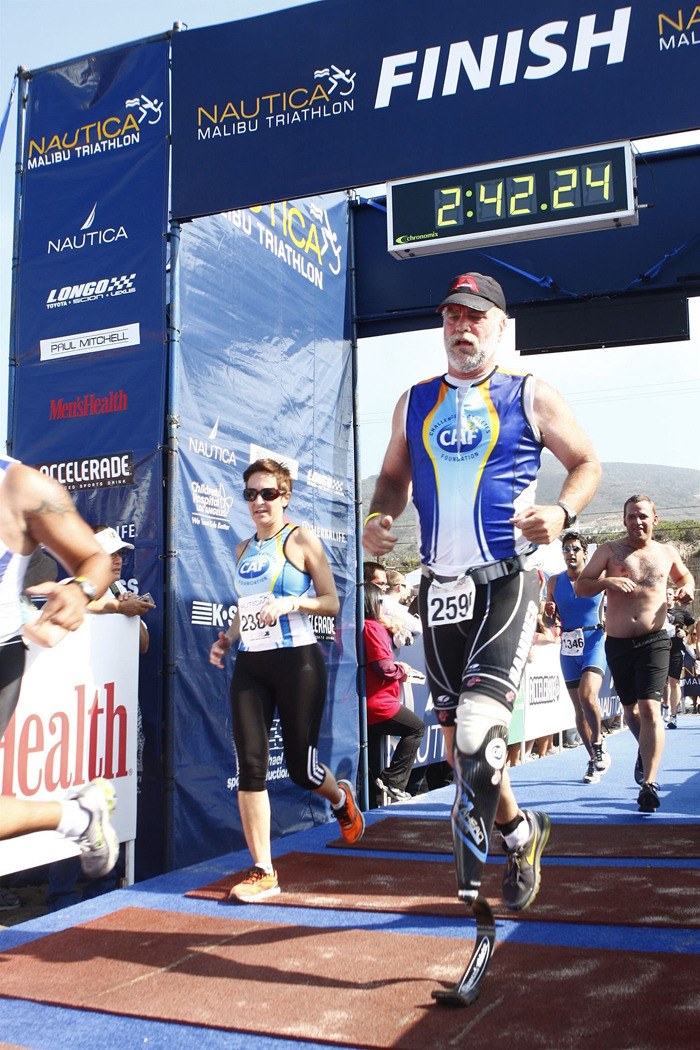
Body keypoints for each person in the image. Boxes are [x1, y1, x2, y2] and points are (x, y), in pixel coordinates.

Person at [363, 271, 601, 918]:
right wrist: (377, 519)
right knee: (460, 747)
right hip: (439, 590)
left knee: (475, 729)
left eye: (475, 317)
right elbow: (391, 479)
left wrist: (562, 513)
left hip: (507, 579)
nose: (462, 327)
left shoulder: (530, 393)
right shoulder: (414, 401)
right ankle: (522, 834)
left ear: (500, 327)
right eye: (452, 316)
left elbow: (587, 463)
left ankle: (476, 896)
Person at [210, 458, 364, 902]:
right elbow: (246, 606)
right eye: (251, 495)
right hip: (251, 664)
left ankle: (341, 801)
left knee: (301, 768)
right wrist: (228, 638)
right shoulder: (242, 549)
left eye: (268, 494)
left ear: (285, 497)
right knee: (251, 767)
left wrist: (292, 603)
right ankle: (263, 870)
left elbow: (333, 602)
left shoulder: (300, 539)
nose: (259, 502)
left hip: (298, 662)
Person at [0, 453, 117, 875]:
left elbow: (95, 560)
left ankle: (78, 817)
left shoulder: (21, 487)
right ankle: (78, 817)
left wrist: (79, 591)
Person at [45, 524, 155, 911]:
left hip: (117, 719)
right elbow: (70, 611)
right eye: (109, 553)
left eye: (120, 552)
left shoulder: (121, 592)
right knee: (74, 796)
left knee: (113, 796)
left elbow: (142, 645)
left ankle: (103, 885)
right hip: (75, 719)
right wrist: (115, 607)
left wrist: (129, 611)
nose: (118, 558)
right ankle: (61, 893)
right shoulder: (76, 590)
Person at [576, 494, 694, 812]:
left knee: (650, 708)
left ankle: (649, 784)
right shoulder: (610, 551)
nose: (637, 521)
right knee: (631, 712)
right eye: (631, 516)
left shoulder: (666, 553)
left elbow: (685, 577)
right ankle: (645, 750)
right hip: (618, 643)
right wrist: (607, 581)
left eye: (643, 515)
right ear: (624, 520)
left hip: (655, 639)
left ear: (654, 519)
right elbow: (581, 586)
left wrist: (687, 590)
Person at [545, 531, 610, 784]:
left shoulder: (598, 578)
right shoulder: (553, 582)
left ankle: (599, 743)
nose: (570, 553)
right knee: (578, 709)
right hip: (568, 645)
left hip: (594, 640)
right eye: (566, 549)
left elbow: (614, 602)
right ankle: (593, 759)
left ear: (585, 553)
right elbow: (549, 620)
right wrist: (549, 613)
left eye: (575, 549)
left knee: (587, 696)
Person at [363, 581, 425, 802]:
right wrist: (401, 669)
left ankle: (373, 794)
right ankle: (393, 781)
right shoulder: (372, 627)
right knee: (416, 728)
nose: (384, 607)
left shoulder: (366, 626)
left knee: (369, 755)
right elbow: (382, 667)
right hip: (378, 702)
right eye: (380, 601)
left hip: (365, 701)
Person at [664, 586, 695, 729]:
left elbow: (691, 624)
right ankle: (664, 707)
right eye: (665, 594)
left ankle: (673, 716)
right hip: (659, 650)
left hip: (676, 650)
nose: (668, 596)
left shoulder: (682, 611)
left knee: (674, 682)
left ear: (674, 597)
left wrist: (685, 632)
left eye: (670, 594)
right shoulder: (657, 611)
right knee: (660, 683)